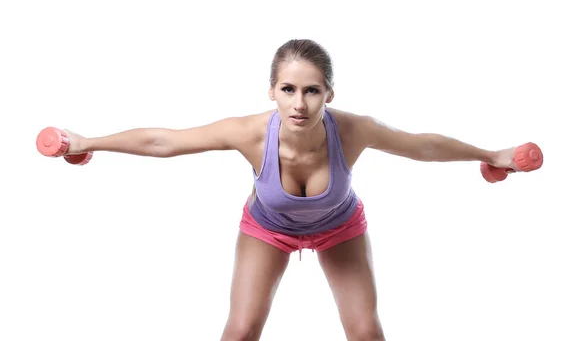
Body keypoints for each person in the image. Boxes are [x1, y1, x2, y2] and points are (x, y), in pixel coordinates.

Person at [60, 39, 519, 341]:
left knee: (366, 333)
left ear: (330, 94)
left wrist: (492, 155)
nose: (299, 104)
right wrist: (87, 143)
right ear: (272, 92)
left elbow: (422, 145)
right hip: (267, 229)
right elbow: (164, 140)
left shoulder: (355, 130)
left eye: (312, 91)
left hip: (340, 228)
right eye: (288, 89)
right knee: (240, 332)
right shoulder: (251, 133)